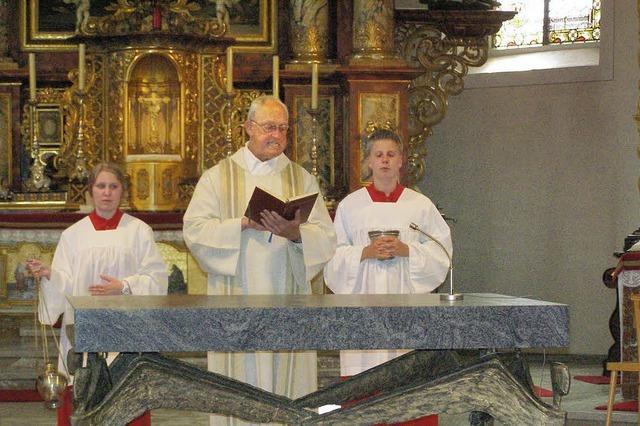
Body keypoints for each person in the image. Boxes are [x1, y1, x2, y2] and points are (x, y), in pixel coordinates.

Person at [183, 96, 336, 425]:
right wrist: (241, 224)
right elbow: (194, 230)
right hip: (237, 299)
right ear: (249, 128)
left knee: (288, 390)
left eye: (283, 129)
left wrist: (296, 234)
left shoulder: (301, 179)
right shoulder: (218, 177)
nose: (276, 136)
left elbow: (326, 235)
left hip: (288, 299)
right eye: (269, 127)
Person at [323, 129, 452, 426]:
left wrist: (407, 250)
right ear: (368, 161)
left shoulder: (420, 205)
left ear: (401, 161)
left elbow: (442, 254)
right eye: (378, 155)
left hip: (407, 311)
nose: (384, 160)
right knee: (363, 396)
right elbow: (330, 259)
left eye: (391, 154)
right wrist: (365, 253)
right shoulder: (350, 206)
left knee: (409, 390)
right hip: (364, 311)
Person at [27, 162, 168, 426]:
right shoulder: (73, 235)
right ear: (91, 191)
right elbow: (65, 282)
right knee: (82, 397)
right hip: (84, 333)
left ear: (122, 191)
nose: (106, 192)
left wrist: (124, 285)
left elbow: (157, 280)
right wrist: (50, 275)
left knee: (126, 395)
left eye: (113, 186)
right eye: (101, 186)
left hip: (126, 330)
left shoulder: (138, 231)